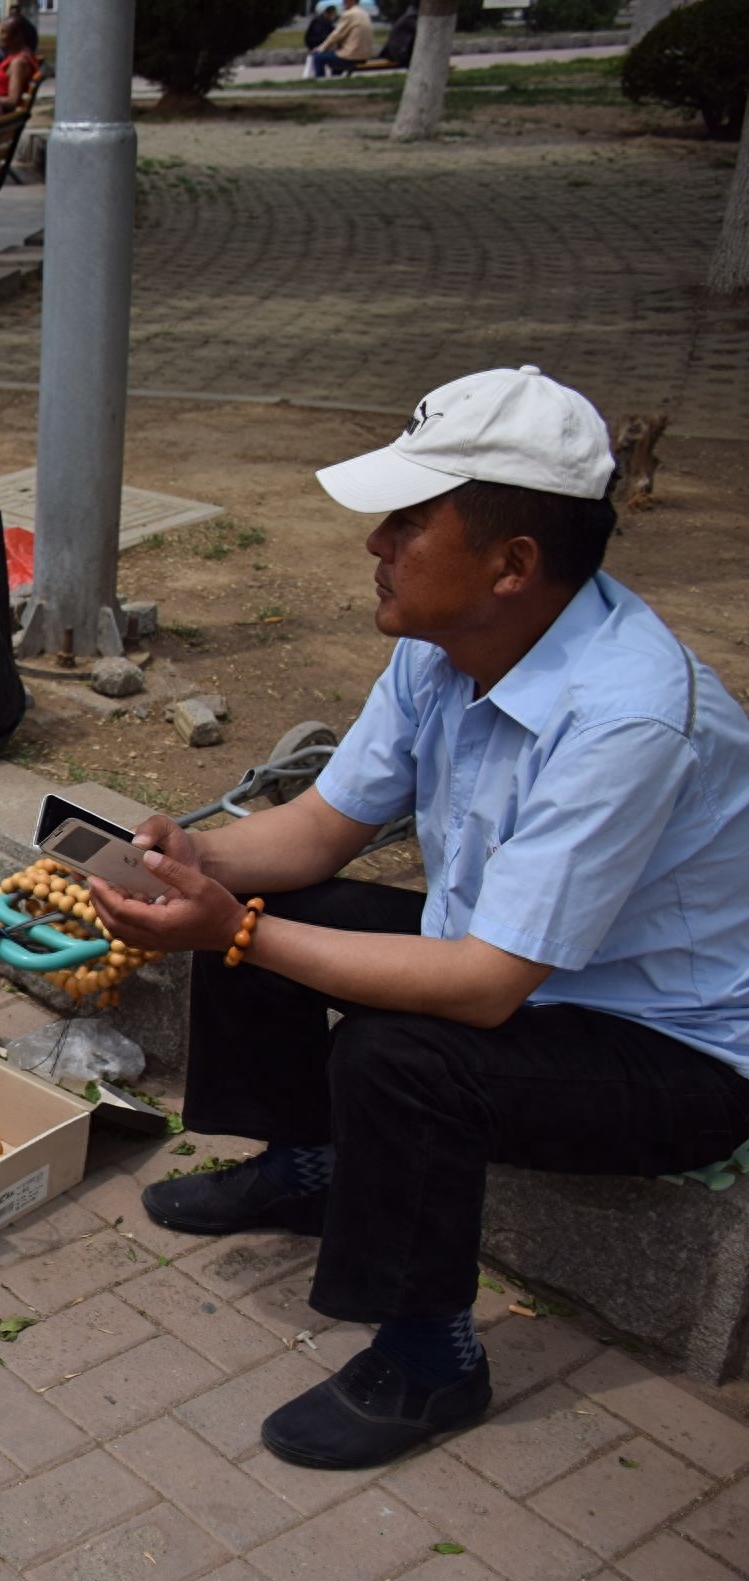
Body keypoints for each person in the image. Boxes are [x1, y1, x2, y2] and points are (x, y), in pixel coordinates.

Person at [101, 366, 749, 1472]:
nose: (375, 545)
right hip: (519, 976)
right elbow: (313, 831)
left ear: (512, 564)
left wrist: (231, 932)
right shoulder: (437, 646)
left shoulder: (631, 717)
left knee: (399, 1055)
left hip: (666, 1052)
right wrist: (187, 859)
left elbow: (486, 986)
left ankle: (428, 1358)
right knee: (272, 894)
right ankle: (311, 1168)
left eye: (407, 521)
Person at [311, 0, 374, 77]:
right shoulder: (364, 13)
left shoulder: (350, 14)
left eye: (345, 1)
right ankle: (336, 79)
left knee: (318, 57)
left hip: (351, 56)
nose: (343, 3)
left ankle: (320, 82)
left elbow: (336, 35)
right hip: (364, 56)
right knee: (335, 55)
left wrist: (321, 48)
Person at [0, 14, 40, 106]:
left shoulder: (18, 63)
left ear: (18, 37)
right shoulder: (16, 58)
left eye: (3, 32)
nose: (0, 36)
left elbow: (12, 100)